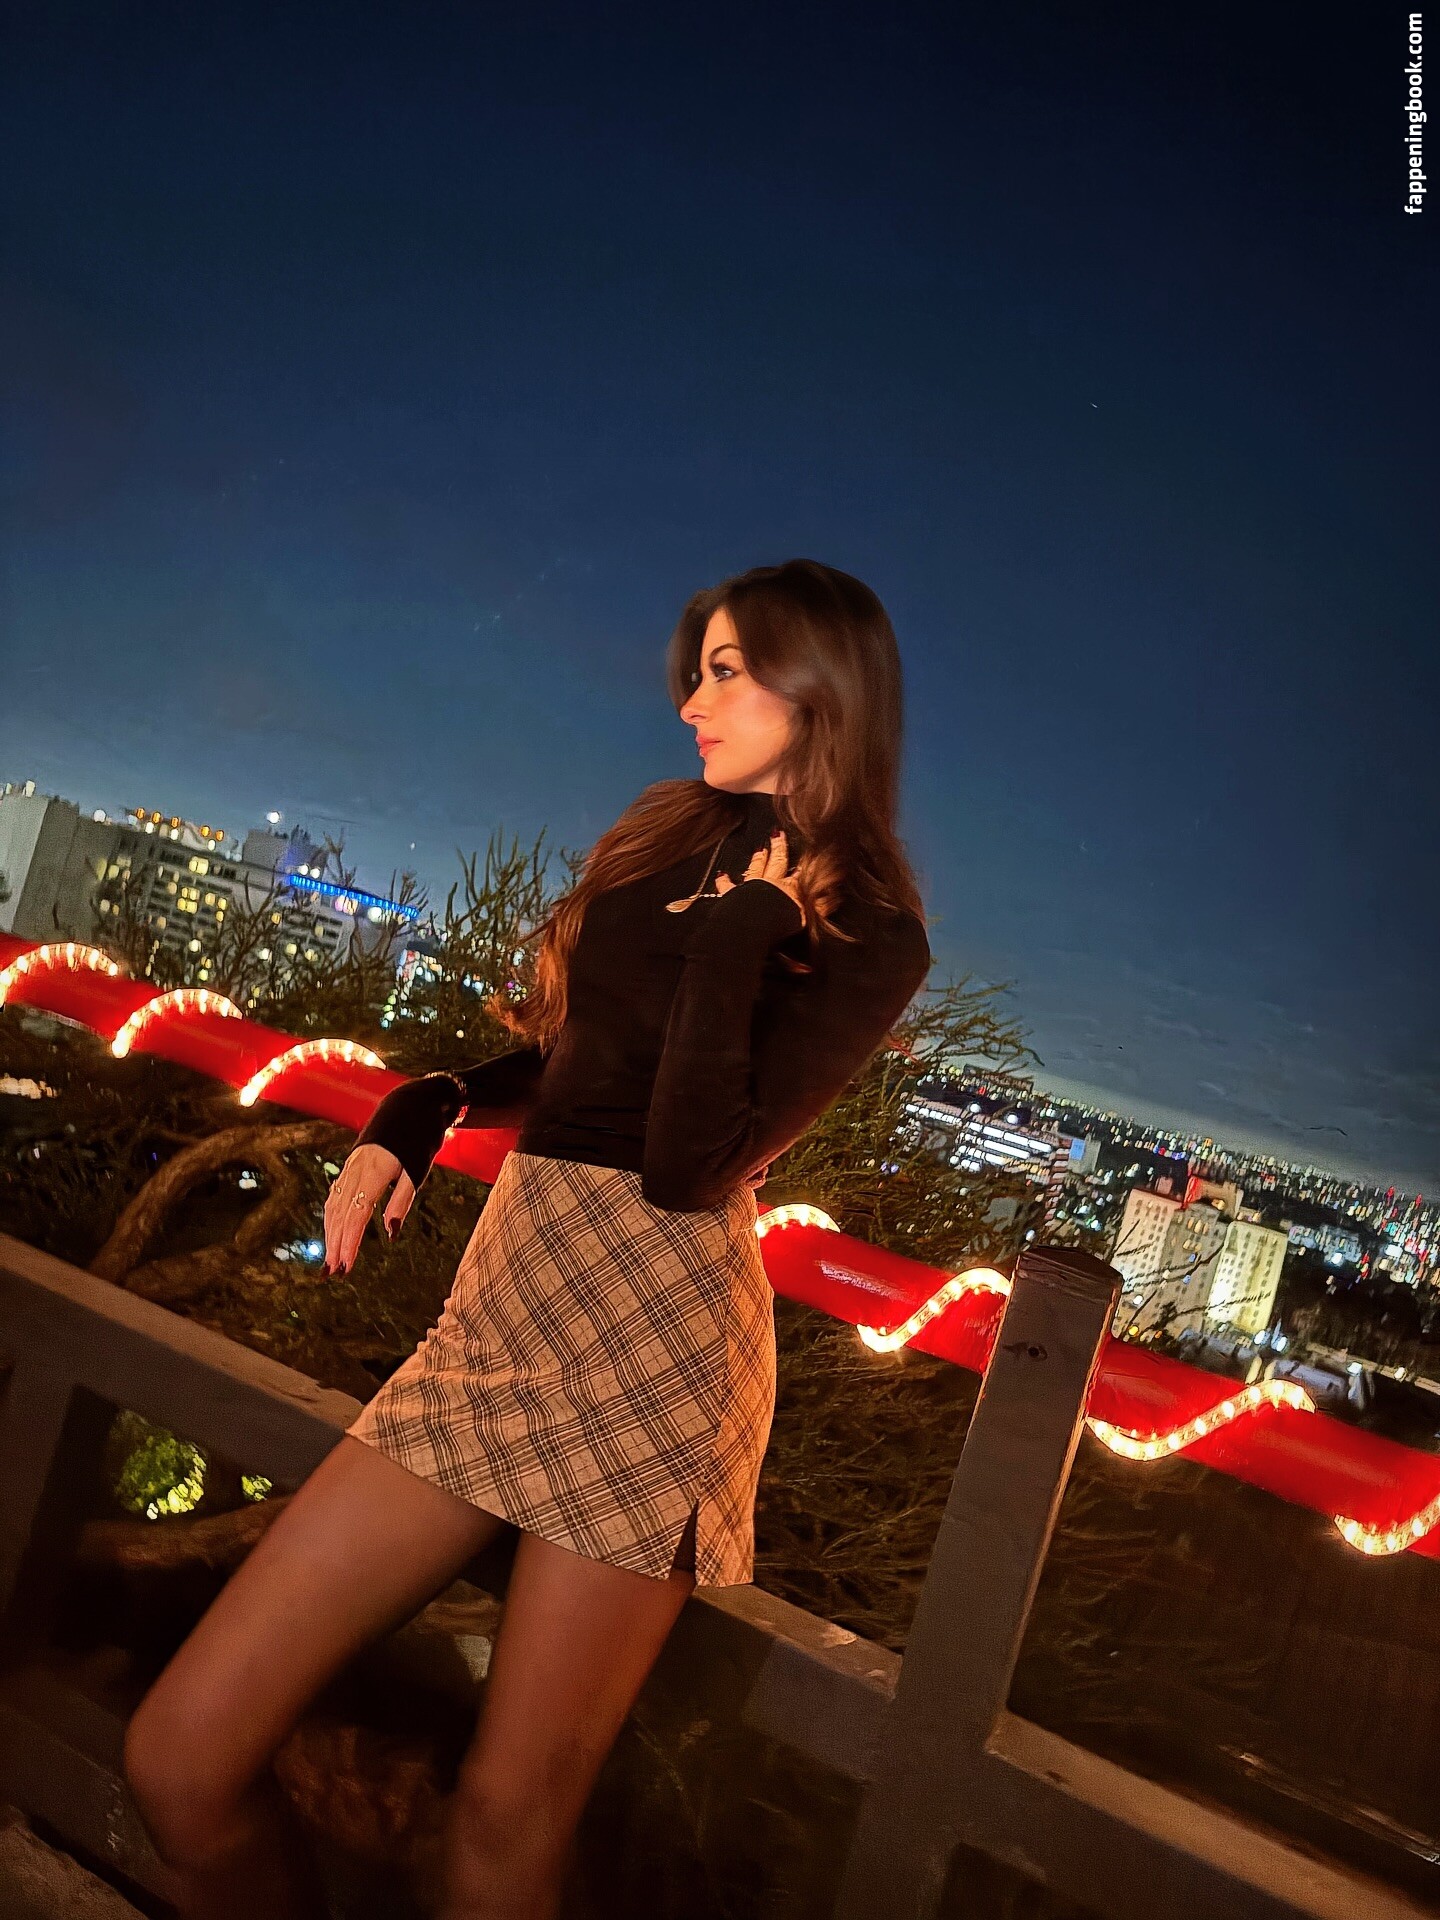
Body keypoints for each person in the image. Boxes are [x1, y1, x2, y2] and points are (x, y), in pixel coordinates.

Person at [122, 558, 932, 1920]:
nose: (690, 702)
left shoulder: (872, 932)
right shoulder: (670, 830)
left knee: (503, 1829)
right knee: (181, 1754)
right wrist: (421, 1106)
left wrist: (742, 935)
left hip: (656, 1351)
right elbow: (578, 1060)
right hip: (505, 1306)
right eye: (696, 672)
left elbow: (691, 1162)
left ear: (822, 686)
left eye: (726, 671)